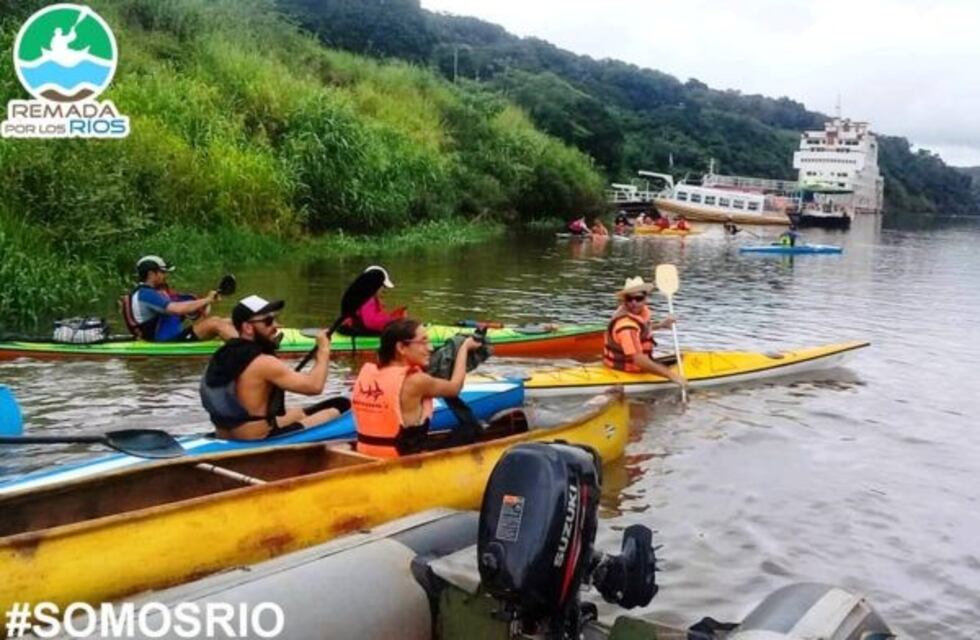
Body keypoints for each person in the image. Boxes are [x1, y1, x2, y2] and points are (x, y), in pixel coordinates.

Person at [200, 295, 347, 441]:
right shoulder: (264, 362)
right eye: (268, 321)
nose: (276, 326)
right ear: (247, 327)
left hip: (224, 434)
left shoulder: (222, 353)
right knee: (334, 412)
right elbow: (314, 387)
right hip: (256, 438)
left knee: (298, 412)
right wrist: (323, 349)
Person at [352, 318, 480, 458]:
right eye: (423, 342)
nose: (430, 348)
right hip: (403, 459)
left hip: (365, 452)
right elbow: (455, 388)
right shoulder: (416, 381)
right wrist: (463, 349)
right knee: (470, 429)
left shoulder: (368, 373)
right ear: (401, 348)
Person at [125, 256, 236, 342]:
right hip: (165, 343)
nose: (166, 275)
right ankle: (245, 350)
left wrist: (208, 301)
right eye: (162, 272)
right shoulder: (145, 294)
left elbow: (198, 315)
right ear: (151, 274)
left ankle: (245, 342)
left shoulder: (157, 293)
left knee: (226, 321)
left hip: (173, 338)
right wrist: (207, 299)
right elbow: (177, 309)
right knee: (214, 324)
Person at [602, 276, 686, 388]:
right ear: (624, 300)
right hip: (626, 370)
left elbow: (640, 331)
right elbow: (639, 361)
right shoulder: (626, 326)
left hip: (618, 365)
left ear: (646, 298)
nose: (633, 303)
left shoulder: (634, 316)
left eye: (638, 298)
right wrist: (672, 376)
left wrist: (661, 325)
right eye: (629, 299)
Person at [342, 265, 406, 336]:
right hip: (356, 331)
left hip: (354, 328)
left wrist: (391, 318)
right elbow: (370, 323)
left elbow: (372, 317)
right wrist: (393, 321)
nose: (383, 289)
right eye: (382, 286)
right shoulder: (367, 299)